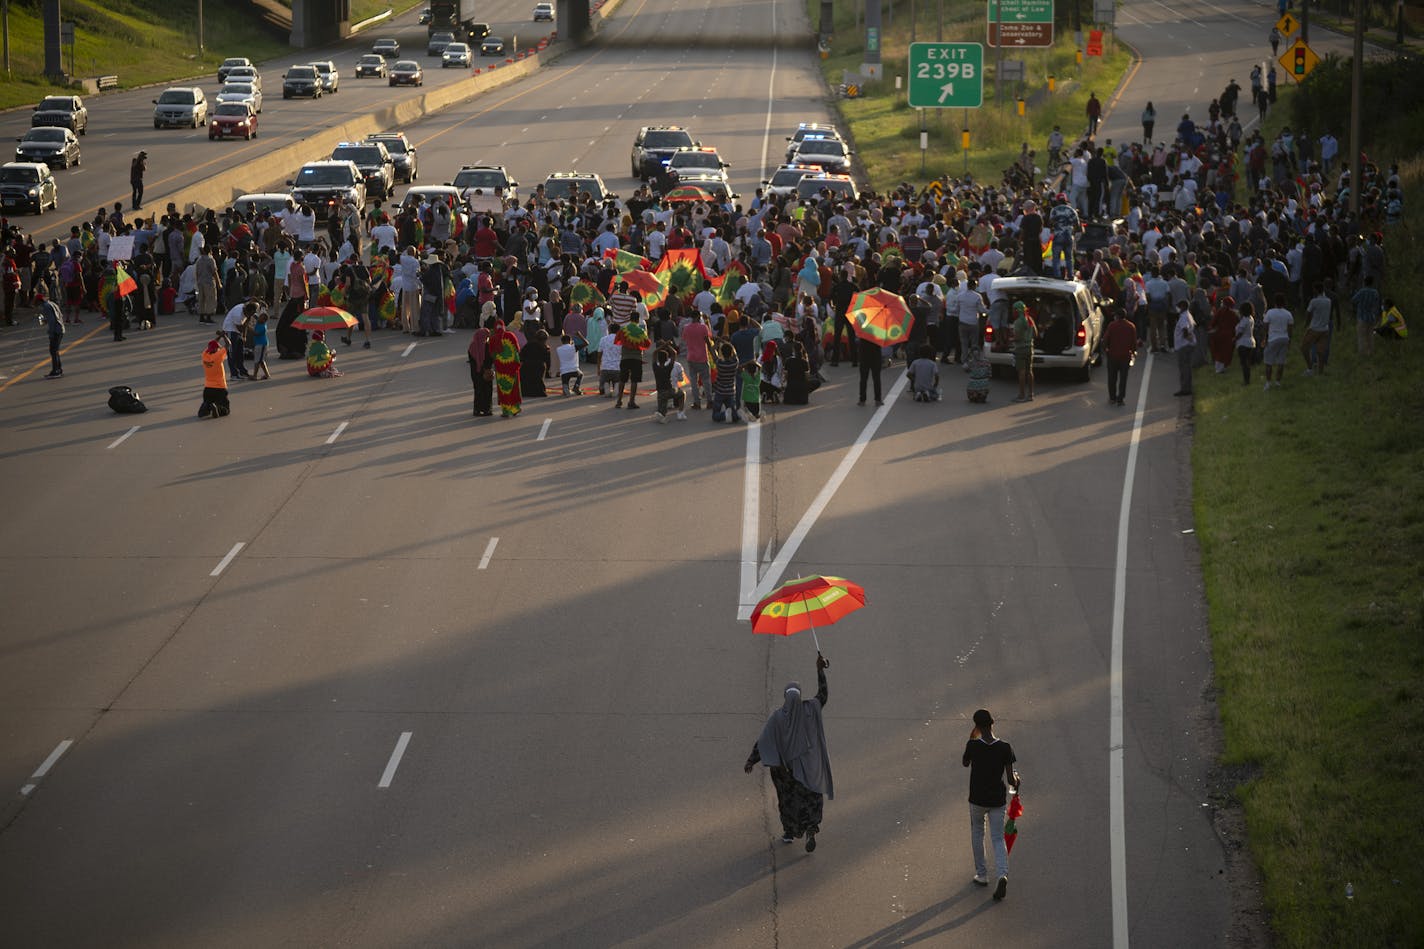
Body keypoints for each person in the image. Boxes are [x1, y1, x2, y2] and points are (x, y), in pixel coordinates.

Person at [745, 654, 833, 852]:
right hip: (808, 769)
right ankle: (811, 828)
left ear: (785, 697)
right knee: (811, 799)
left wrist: (751, 761)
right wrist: (820, 671)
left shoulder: (777, 717)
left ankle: (789, 832)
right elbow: (823, 695)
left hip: (785, 772)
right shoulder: (809, 710)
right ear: (800, 697)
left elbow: (764, 742)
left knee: (788, 802)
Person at [963, 708, 1019, 901]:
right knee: (997, 837)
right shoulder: (1005, 747)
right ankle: (1002, 874)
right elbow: (1011, 779)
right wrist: (1017, 781)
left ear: (977, 726)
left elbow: (965, 763)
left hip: (977, 799)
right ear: (992, 723)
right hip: (997, 800)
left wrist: (973, 736)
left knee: (977, 832)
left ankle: (982, 874)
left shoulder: (973, 745)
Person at [1103, 306, 1137, 406]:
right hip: (1125, 356)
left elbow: (1105, 340)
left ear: (1117, 316)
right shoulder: (1131, 326)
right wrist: (1134, 352)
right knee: (1123, 378)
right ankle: (1120, 398)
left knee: (1112, 378)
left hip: (1113, 356)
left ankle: (1112, 398)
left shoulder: (1112, 325)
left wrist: (1105, 350)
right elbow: (1133, 342)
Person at [1261, 294, 1294, 390]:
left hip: (1273, 339)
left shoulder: (1270, 313)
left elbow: (1265, 326)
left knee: (1268, 362)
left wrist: (1265, 338)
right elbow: (1290, 329)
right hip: (1284, 338)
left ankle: (1268, 383)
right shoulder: (1288, 314)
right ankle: (1278, 382)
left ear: (1274, 302)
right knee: (1281, 362)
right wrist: (1289, 340)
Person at [490, 319, 522, 417]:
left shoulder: (493, 339)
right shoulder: (511, 335)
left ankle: (506, 411)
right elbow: (517, 349)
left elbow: (492, 354)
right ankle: (515, 408)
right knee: (514, 388)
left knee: (504, 388)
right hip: (512, 367)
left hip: (501, 369)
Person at [651, 343, 688, 422]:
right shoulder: (668, 368)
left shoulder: (655, 367)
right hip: (670, 391)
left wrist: (662, 345)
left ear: (658, 359)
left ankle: (661, 414)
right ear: (666, 359)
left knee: (662, 410)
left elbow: (654, 353)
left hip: (660, 392)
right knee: (682, 393)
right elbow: (674, 353)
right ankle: (680, 412)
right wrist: (667, 345)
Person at [198, 336, 230, 418]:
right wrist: (224, 336)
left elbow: (213, 343)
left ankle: (206, 408)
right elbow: (228, 344)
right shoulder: (218, 356)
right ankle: (218, 408)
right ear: (216, 349)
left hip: (208, 388)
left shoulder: (204, 355)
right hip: (220, 388)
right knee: (226, 409)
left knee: (207, 402)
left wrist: (219, 337)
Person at [468, 320, 494, 416]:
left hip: (475, 372)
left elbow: (471, 359)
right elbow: (490, 359)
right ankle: (487, 409)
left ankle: (477, 409)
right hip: (486, 372)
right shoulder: (487, 346)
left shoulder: (472, 346)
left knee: (478, 390)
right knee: (487, 390)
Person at [1011, 301, 1035, 402]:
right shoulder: (1029, 319)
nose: (1012, 312)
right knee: (1029, 371)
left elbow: (1017, 337)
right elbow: (1036, 333)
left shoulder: (1017, 322)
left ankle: (1021, 395)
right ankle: (1030, 394)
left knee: (1021, 372)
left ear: (1017, 310)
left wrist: (1010, 340)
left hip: (1020, 349)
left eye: (1013, 310)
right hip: (1029, 347)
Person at [38, 288, 64, 378]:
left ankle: (55, 370)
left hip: (56, 330)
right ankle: (59, 369)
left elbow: (52, 321)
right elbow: (58, 315)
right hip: (60, 328)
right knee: (55, 351)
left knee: (53, 351)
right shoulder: (51, 303)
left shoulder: (46, 307)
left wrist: (51, 334)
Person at [1234, 302, 1257, 386]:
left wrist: (1234, 339)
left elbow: (1240, 332)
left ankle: (1246, 381)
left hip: (1243, 343)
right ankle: (1247, 380)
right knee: (1247, 363)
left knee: (1244, 364)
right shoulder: (1251, 318)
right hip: (1251, 342)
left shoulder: (1244, 320)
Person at [250, 309, 271, 380]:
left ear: (264, 320)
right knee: (261, 361)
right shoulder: (259, 322)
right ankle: (267, 374)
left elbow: (256, 333)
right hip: (259, 344)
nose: (258, 318)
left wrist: (248, 327)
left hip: (261, 345)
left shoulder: (263, 327)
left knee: (257, 360)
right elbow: (255, 316)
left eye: (260, 317)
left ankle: (255, 375)